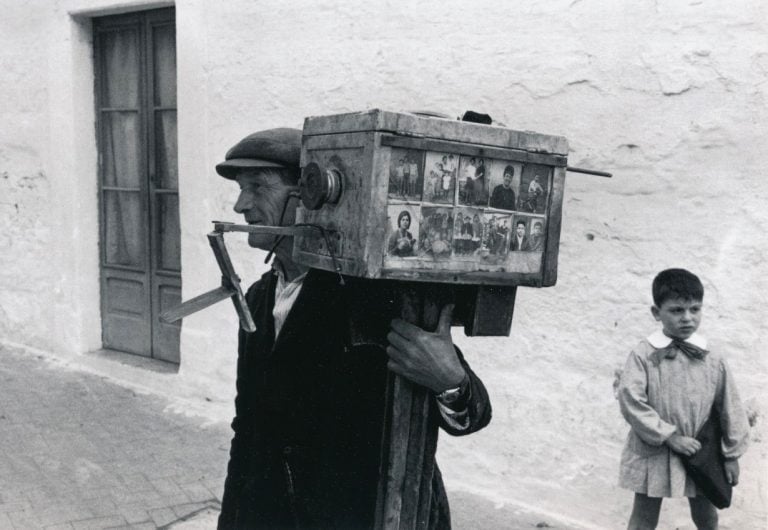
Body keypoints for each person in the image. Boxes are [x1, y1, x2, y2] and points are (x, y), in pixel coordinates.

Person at [215, 128, 492, 529]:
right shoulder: (258, 297)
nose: (241, 205)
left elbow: (472, 415)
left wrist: (449, 382)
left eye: (258, 187)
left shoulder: (371, 299)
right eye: (241, 189)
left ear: (309, 197)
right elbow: (248, 428)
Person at [617, 269, 749, 530]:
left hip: (700, 450)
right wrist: (669, 436)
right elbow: (631, 400)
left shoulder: (712, 357)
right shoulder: (644, 354)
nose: (687, 318)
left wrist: (731, 455)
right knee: (644, 516)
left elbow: (729, 406)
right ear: (657, 313)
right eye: (677, 310)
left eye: (695, 309)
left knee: (706, 514)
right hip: (654, 448)